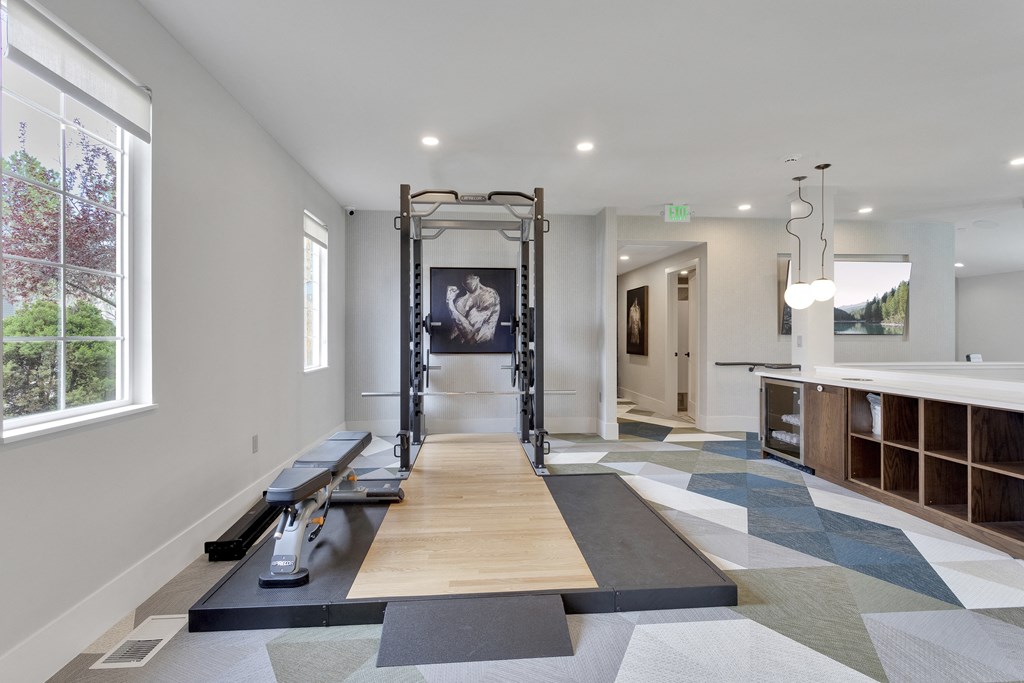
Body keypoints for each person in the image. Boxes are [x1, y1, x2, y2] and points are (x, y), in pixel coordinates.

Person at [447, 273, 500, 344]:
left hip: (482, 348)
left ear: (477, 277)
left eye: (469, 279)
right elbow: (453, 336)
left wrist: (450, 303)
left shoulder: (488, 295)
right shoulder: (459, 301)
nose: (465, 281)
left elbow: (470, 336)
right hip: (459, 350)